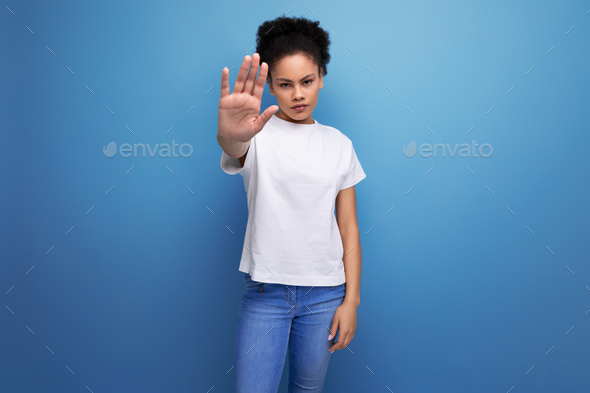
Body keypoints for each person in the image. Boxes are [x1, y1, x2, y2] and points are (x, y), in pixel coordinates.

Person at [217, 15, 367, 393]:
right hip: (266, 293)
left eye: (307, 81)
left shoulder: (339, 144)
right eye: (285, 85)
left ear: (321, 75)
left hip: (325, 295)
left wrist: (352, 300)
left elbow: (347, 226)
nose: (298, 94)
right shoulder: (257, 133)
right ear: (269, 85)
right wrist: (230, 137)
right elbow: (235, 149)